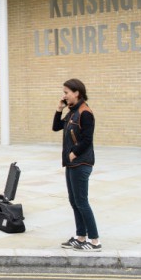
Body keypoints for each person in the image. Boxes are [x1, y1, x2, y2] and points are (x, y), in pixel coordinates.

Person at [53, 78, 101, 252]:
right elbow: (56, 127)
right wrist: (59, 110)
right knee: (74, 201)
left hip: (81, 163)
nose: (64, 95)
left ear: (76, 93)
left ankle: (94, 240)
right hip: (72, 163)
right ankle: (81, 237)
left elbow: (87, 139)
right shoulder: (72, 112)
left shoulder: (84, 112)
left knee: (81, 201)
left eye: (66, 92)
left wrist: (74, 153)